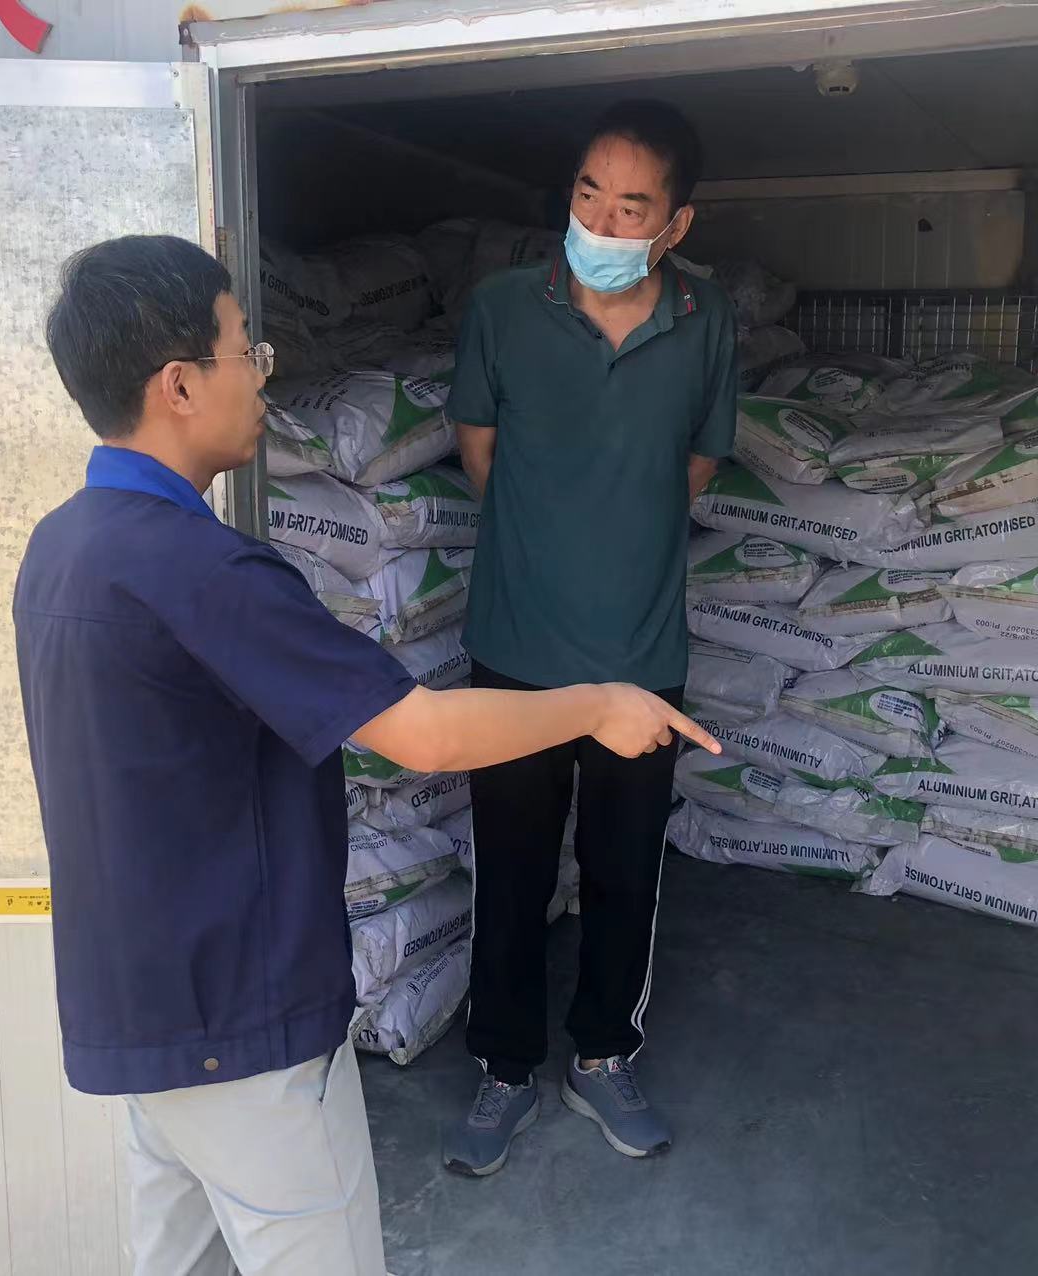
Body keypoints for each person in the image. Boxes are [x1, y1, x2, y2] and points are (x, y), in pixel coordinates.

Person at [13, 234, 718, 1276]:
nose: (263, 378)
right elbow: (421, 732)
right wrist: (598, 704)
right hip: (242, 1028)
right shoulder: (204, 571)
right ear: (178, 385)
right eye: (245, 351)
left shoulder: (60, 547)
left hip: (140, 1012)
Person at [442, 100, 738, 1176]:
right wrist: (555, 536)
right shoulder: (501, 308)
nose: (601, 222)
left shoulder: (706, 318)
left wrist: (615, 534)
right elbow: (480, 451)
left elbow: (697, 462)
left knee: (624, 874)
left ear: (675, 224)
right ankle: (505, 1067)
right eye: (587, 194)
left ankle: (604, 1057)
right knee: (512, 873)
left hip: (639, 658)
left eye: (631, 207)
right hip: (515, 650)